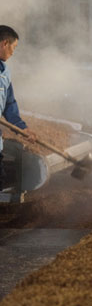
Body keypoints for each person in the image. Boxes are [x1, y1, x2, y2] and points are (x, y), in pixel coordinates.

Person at [0, 25, 36, 190]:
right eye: (13, 48)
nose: (13, 53)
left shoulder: (5, 72)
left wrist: (23, 128)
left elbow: (9, 105)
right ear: (4, 44)